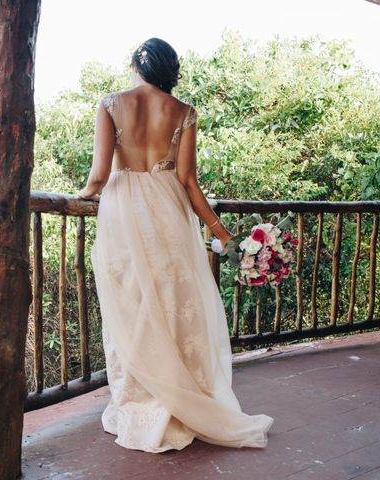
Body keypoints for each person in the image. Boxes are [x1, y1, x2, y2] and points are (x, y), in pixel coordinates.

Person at [76, 37, 273, 453]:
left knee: (130, 304)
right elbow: (187, 181)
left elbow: (97, 175)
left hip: (124, 214)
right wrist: (222, 235)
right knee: (171, 300)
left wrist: (81, 195)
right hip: (167, 212)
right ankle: (181, 399)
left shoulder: (111, 103)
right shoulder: (183, 111)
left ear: (136, 65)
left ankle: (144, 400)